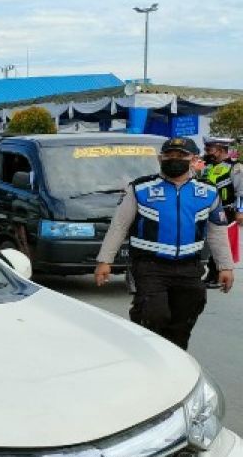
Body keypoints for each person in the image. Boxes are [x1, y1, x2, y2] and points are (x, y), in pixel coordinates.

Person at [94, 136, 233, 349]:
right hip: (150, 266)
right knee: (153, 314)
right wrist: (105, 261)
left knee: (185, 318)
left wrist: (225, 267)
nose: (174, 159)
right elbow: (119, 226)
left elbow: (217, 232)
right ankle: (145, 352)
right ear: (160, 158)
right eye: (169, 155)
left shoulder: (208, 192)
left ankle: (175, 361)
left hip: (190, 267)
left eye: (181, 155)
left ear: (193, 158)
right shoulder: (140, 189)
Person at [202, 137, 243, 284]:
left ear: (220, 150)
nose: (206, 152)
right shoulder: (206, 166)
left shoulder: (235, 167)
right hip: (207, 210)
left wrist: (240, 211)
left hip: (226, 211)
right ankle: (211, 273)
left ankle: (216, 275)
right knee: (208, 242)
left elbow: (241, 192)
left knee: (220, 242)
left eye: (209, 149)